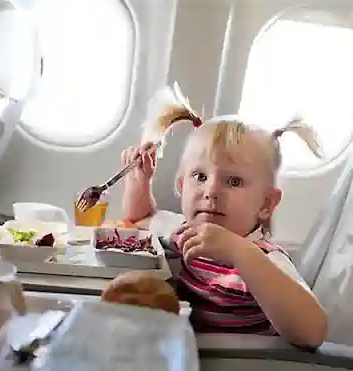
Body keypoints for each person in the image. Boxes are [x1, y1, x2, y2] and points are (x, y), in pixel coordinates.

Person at [120, 110, 328, 348]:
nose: (211, 191)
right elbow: (141, 218)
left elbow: (313, 332)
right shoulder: (187, 231)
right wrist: (139, 181)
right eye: (199, 176)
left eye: (233, 181)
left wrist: (238, 251)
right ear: (181, 186)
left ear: (266, 204)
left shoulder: (264, 259)